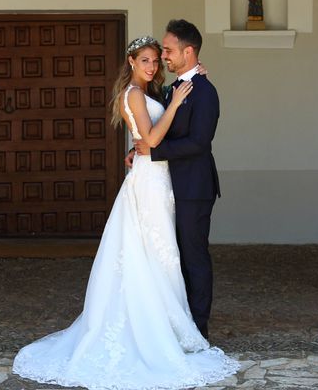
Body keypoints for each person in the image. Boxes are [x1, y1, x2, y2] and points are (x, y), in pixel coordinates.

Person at [12, 36, 238, 389]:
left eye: (157, 59)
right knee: (154, 252)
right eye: (146, 60)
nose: (154, 64)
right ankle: (156, 327)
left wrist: (183, 88)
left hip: (161, 180)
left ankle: (177, 324)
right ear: (131, 62)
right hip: (150, 181)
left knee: (164, 253)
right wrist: (175, 105)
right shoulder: (135, 94)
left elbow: (152, 140)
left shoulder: (159, 91)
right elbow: (149, 141)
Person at [133, 19, 220, 340]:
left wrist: (151, 153)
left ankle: (199, 328)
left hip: (194, 188)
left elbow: (199, 143)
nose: (163, 57)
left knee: (193, 255)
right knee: (173, 254)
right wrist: (140, 150)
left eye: (168, 51)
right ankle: (177, 320)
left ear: (189, 50)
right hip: (169, 186)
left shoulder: (205, 93)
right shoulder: (176, 87)